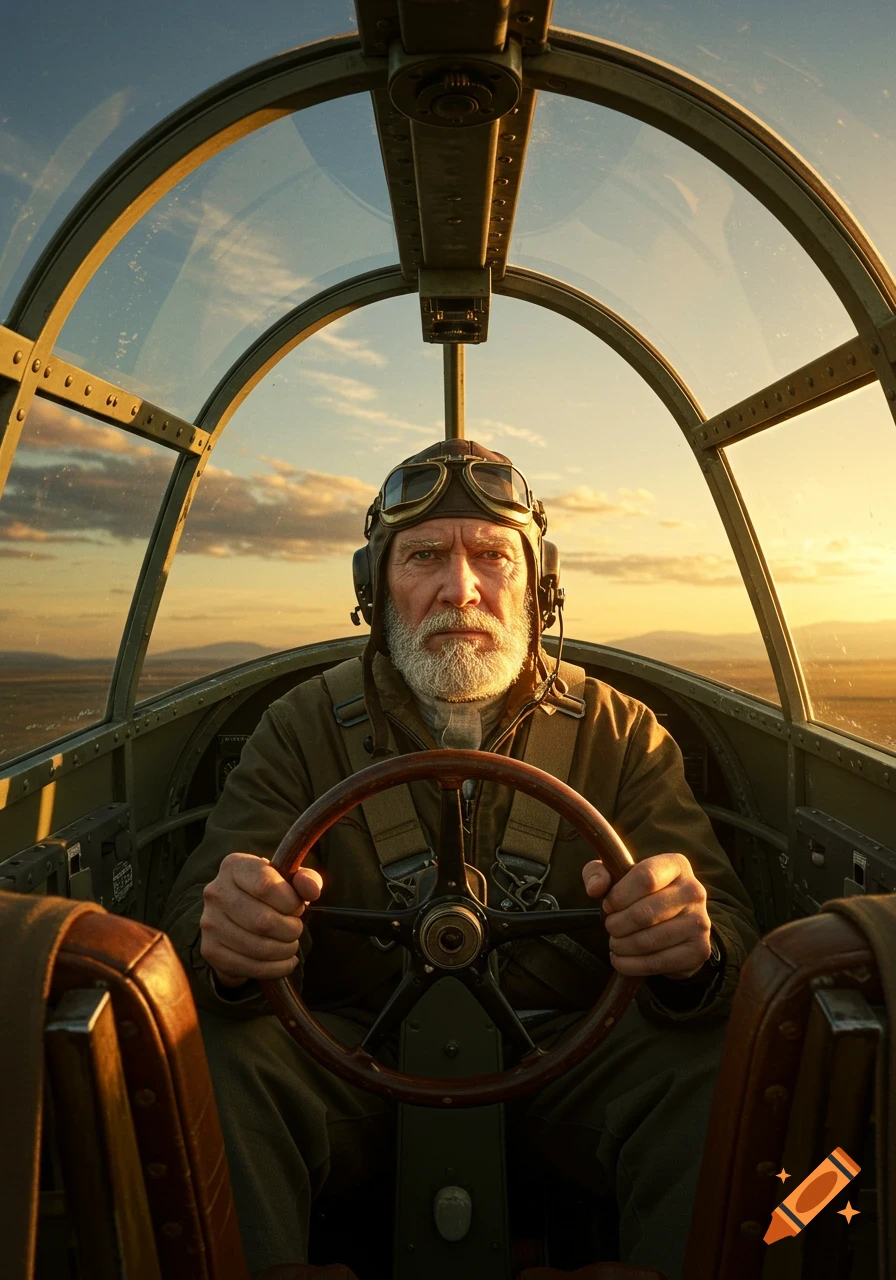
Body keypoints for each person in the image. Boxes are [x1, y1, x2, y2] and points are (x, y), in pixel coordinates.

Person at [161, 439, 761, 1280]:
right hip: (351, 1065)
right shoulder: (300, 726)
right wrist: (225, 942)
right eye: (425, 557)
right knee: (215, 1055)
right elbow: (196, 916)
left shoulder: (621, 733)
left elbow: (728, 928)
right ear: (375, 587)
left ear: (537, 584)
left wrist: (692, 951)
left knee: (719, 1066)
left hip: (574, 1066)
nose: (461, 588)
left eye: (490, 556)